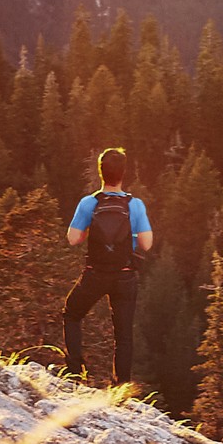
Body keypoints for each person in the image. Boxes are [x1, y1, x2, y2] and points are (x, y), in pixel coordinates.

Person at [62, 146, 153, 385]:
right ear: (124, 173)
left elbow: (73, 238)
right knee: (123, 335)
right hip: (125, 276)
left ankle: (74, 373)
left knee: (72, 314)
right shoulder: (135, 205)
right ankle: (120, 387)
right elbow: (147, 244)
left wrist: (90, 232)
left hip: (96, 274)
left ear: (100, 171)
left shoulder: (89, 203)